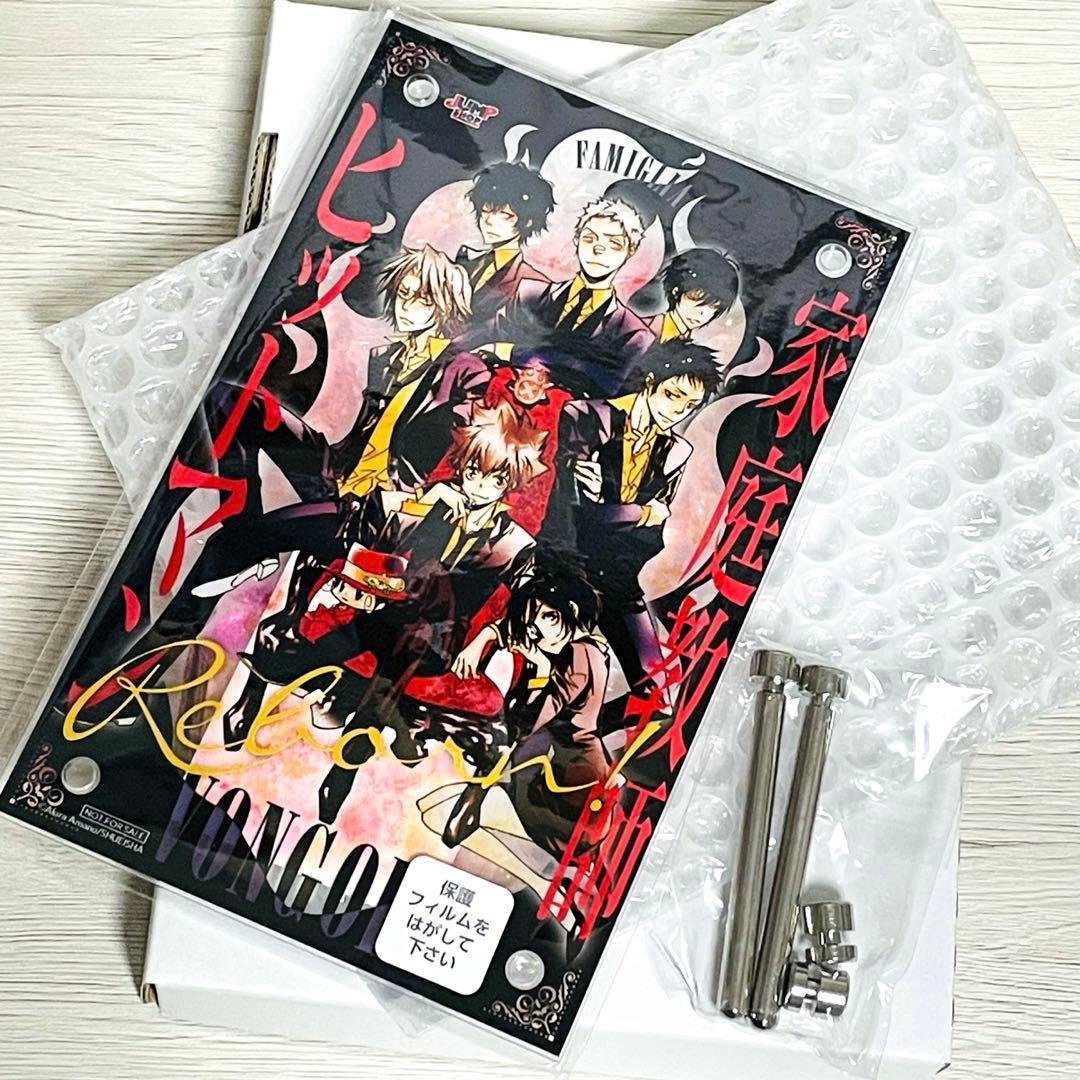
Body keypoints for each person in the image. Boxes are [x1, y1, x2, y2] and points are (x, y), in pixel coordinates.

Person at [317, 399, 547, 823]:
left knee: (415, 635)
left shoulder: (515, 543)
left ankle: (350, 755)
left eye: (494, 479)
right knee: (395, 627)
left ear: (509, 484)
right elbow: (380, 542)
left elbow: (520, 605)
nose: (479, 486)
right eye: (473, 472)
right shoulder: (431, 506)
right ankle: (382, 727)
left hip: (440, 639)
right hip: (389, 613)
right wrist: (427, 501)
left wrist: (483, 641)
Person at [419, 559, 611, 924]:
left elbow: (534, 716)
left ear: (571, 611)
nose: (538, 632)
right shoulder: (582, 645)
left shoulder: (577, 655)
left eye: (548, 618)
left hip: (567, 777)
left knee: (496, 770)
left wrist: (538, 669)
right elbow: (510, 631)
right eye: (534, 623)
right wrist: (481, 641)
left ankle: (574, 899)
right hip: (564, 765)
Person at [550, 340, 723, 700]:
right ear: (649, 381)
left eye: (689, 405)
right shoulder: (588, 418)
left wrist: (621, 515)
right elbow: (573, 512)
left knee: (657, 692)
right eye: (672, 395)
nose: (677, 412)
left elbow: (653, 533)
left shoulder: (676, 450)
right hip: (562, 567)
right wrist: (640, 512)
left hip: (620, 576)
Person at [334, 244, 490, 496]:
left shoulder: (464, 369)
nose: (407, 306)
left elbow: (467, 443)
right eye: (403, 293)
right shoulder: (383, 355)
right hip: (350, 479)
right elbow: (365, 425)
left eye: (424, 300)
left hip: (401, 491)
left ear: (446, 306)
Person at [480, 197, 655, 397]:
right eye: (589, 238)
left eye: (614, 243)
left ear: (630, 251)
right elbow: (486, 334)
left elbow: (601, 386)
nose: (598, 249)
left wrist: (512, 352)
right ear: (577, 241)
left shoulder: (633, 333)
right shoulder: (531, 293)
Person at [455, 161, 555, 324]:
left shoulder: (534, 282)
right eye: (485, 212)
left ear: (528, 222)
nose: (489, 222)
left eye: (505, 216)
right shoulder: (469, 262)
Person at [645, 248, 741, 343]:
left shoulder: (687, 344)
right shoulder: (644, 330)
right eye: (696, 298)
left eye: (713, 306)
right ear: (676, 291)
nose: (702, 312)